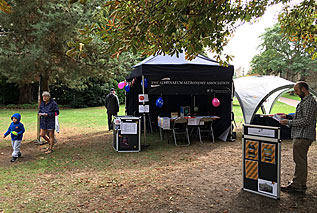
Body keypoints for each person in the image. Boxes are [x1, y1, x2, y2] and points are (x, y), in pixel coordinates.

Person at [279, 81, 317, 192]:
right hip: (300, 134)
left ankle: (296, 186)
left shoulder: (310, 101)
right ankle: (301, 184)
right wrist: (287, 116)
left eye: (296, 90)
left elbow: (306, 120)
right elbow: (302, 115)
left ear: (303, 89)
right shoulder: (305, 101)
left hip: (303, 136)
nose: (295, 93)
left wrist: (289, 123)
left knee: (299, 161)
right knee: (300, 160)